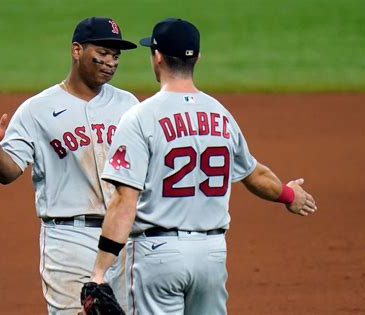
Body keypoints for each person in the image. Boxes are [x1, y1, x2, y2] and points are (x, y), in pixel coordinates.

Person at [88, 18, 318, 314]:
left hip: (158, 256)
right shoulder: (221, 115)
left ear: (157, 57)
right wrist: (289, 195)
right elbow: (254, 173)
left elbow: (124, 200)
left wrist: (99, 271)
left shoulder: (140, 118)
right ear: (196, 57)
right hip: (211, 256)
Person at [0, 16, 138, 314]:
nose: (110, 62)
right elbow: (8, 171)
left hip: (121, 235)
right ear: (77, 50)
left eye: (115, 56)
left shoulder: (129, 105)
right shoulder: (37, 109)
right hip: (68, 239)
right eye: (101, 53)